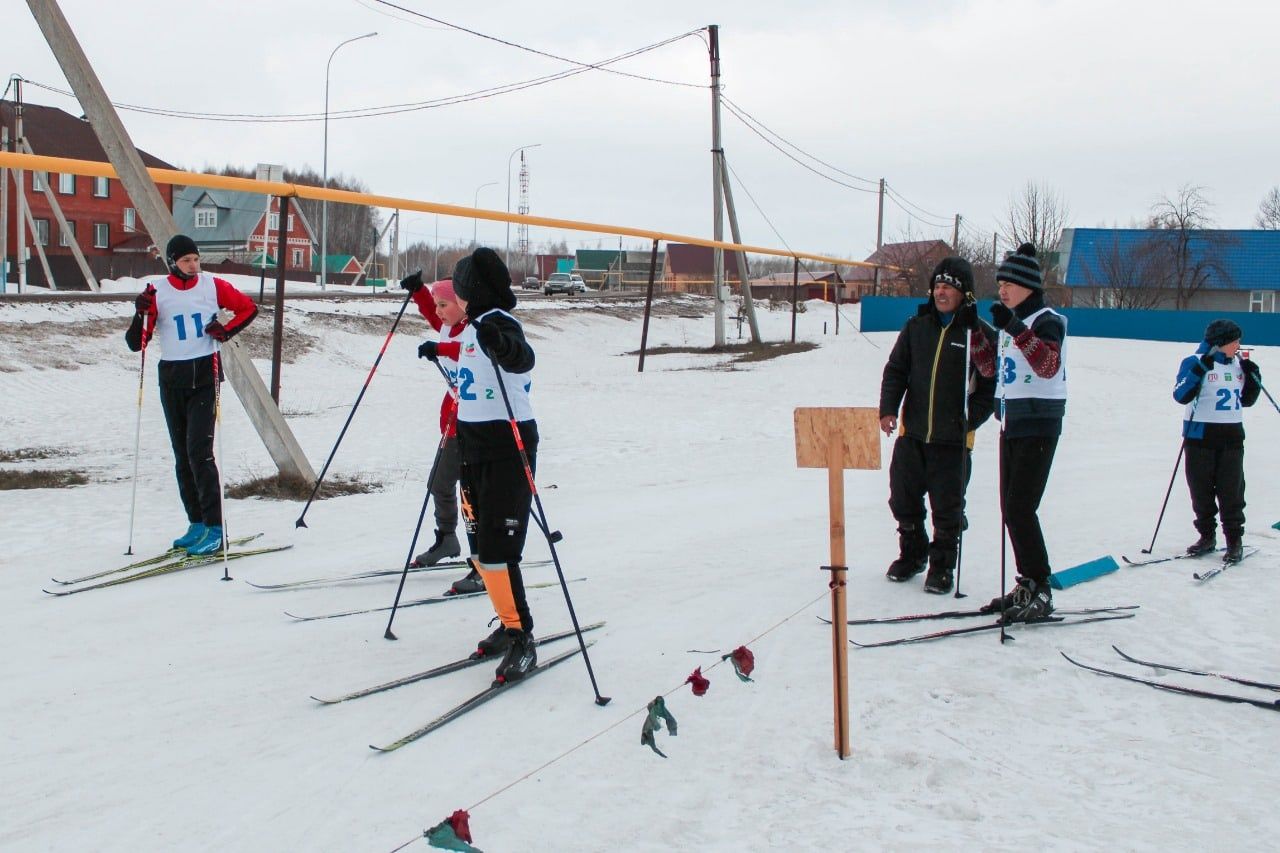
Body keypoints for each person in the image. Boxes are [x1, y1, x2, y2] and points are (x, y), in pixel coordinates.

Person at [418, 247, 540, 684]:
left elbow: (522, 358)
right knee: (479, 551)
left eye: (461, 287)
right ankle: (507, 626)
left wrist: (501, 346)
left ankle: (523, 638)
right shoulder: (471, 328)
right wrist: (438, 348)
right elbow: (458, 352)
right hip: (474, 444)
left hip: (508, 445)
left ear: (473, 291)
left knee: (498, 552)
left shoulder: (500, 325)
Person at [125, 234, 257, 556]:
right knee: (182, 456)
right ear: (173, 262)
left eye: (196, 259)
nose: (194, 265)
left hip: (204, 375)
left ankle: (215, 528)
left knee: (200, 453)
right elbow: (136, 342)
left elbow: (248, 308)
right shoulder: (158, 291)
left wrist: (225, 332)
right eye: (187, 260)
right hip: (171, 378)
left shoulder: (212, 286)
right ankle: (196, 523)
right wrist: (138, 312)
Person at [879, 257, 997, 594]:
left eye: (950, 286)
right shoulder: (916, 327)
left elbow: (989, 388)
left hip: (953, 440)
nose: (941, 291)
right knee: (903, 499)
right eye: (938, 285)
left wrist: (969, 419)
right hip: (912, 433)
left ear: (965, 293)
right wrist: (888, 409)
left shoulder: (979, 335)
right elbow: (896, 370)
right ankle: (912, 554)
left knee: (947, 509)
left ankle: (942, 566)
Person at [973, 242, 1066, 621]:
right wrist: (977, 333)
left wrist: (1012, 326)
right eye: (1000, 284)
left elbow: (1046, 364)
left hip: (1040, 423)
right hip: (1012, 423)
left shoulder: (1046, 319)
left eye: (1009, 283)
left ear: (1027, 285)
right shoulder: (1011, 325)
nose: (1003, 290)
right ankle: (1028, 580)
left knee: (1021, 506)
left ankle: (1040, 583)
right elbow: (990, 370)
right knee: (1010, 508)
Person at [401, 272, 484, 595]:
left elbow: (466, 352)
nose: (437, 311)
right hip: (452, 420)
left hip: (475, 424)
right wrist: (418, 291)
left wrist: (441, 350)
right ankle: (447, 539)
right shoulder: (448, 325)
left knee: (472, 495)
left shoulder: (475, 331)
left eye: (444, 304)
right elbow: (432, 314)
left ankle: (482, 562)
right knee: (439, 483)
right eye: (436, 304)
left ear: (463, 304)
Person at [1172, 319, 1260, 564]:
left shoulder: (1239, 365)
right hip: (1199, 436)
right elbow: (1181, 394)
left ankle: (1234, 541)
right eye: (1234, 342)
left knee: (1231, 492)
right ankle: (1207, 536)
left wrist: (1254, 378)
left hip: (1231, 438)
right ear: (1220, 343)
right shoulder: (1194, 361)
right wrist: (1200, 370)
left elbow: (1247, 400)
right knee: (1200, 491)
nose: (1238, 346)